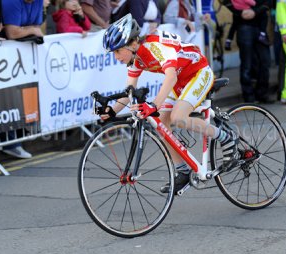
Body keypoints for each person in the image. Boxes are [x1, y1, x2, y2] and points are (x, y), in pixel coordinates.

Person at [101, 14, 240, 194]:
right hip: (180, 81)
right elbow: (128, 92)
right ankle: (182, 171)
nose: (116, 57)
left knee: (178, 118)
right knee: (161, 123)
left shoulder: (153, 46)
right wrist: (111, 111)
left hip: (198, 72)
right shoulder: (135, 59)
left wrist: (154, 105)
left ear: (132, 44)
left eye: (118, 51)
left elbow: (171, 75)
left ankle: (226, 136)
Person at [0, 0, 44, 159]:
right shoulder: (11, 2)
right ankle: (10, 143)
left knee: (23, 97)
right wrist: (30, 29)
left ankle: (15, 140)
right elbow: (12, 32)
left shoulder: (38, 2)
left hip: (23, 55)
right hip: (2, 56)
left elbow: (38, 29)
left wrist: (26, 29)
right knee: (7, 99)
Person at [225, 0, 272, 103]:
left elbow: (269, 2)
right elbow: (225, 2)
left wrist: (255, 11)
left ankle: (262, 93)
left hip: (260, 26)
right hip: (243, 26)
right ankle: (249, 96)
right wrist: (239, 12)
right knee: (247, 64)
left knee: (265, 62)